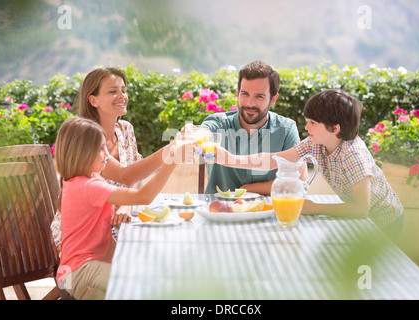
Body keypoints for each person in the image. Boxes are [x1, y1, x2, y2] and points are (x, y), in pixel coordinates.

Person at [214, 89, 404, 238]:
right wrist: (230, 159)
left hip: (384, 222)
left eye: (312, 122)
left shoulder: (354, 156)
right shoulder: (317, 143)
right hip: (363, 219)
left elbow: (361, 209)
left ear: (334, 128)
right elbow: (275, 159)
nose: (306, 127)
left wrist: (314, 207)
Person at [55, 117, 180, 299]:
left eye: (105, 146)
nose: (107, 153)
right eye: (100, 149)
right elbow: (143, 196)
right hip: (80, 271)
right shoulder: (89, 187)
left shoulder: (81, 181)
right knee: (143, 285)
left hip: (76, 269)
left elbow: (126, 196)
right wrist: (171, 162)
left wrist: (123, 209)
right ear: (81, 153)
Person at [51, 67, 174, 251]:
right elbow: (125, 176)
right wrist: (172, 150)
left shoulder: (125, 129)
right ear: (93, 100)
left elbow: (137, 176)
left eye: (123, 90)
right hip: (84, 237)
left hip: (117, 223)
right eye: (112, 91)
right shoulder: (86, 138)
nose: (121, 96)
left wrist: (125, 205)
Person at [200, 60, 302, 195]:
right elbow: (203, 132)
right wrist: (193, 133)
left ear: (273, 99)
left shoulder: (286, 130)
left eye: (259, 96)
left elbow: (296, 182)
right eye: (245, 94)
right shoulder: (218, 124)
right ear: (238, 93)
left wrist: (247, 189)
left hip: (269, 212)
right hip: (218, 211)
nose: (250, 103)